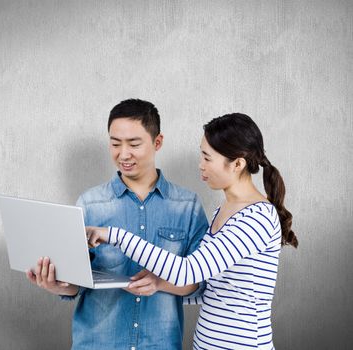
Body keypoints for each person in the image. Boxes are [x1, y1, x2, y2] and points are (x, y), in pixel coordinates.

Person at [87, 113, 299, 349]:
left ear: (237, 164)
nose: (201, 165)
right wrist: (159, 283)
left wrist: (114, 235)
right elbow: (211, 289)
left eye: (208, 158)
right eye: (202, 154)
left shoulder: (257, 217)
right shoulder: (224, 211)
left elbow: (188, 271)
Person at [26, 99, 209, 349]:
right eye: (115, 143)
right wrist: (57, 284)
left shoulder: (187, 206)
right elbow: (76, 285)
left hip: (160, 343)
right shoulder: (90, 204)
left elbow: (200, 283)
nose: (123, 154)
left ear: (158, 142)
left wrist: (159, 282)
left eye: (134, 144)